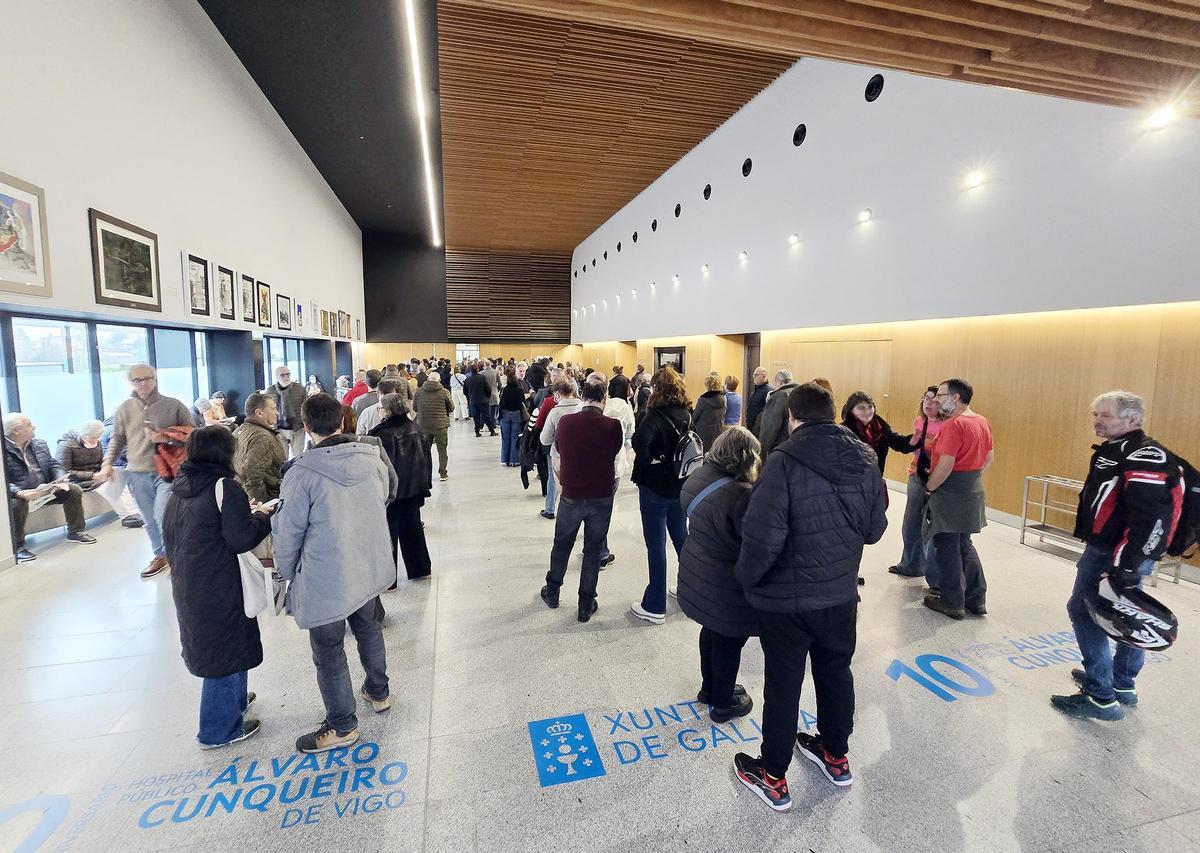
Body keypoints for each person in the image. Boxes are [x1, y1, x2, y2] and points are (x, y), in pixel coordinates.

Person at [732, 383, 887, 812]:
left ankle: (774, 776)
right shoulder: (866, 457)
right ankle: (836, 756)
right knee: (837, 673)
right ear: (834, 413)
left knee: (784, 686)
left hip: (788, 602)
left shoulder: (782, 462)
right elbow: (875, 531)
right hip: (839, 596)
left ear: (791, 416)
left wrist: (746, 581)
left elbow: (762, 538)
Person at [272, 393, 394, 753]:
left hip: (326, 572)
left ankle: (342, 724)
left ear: (307, 428)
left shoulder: (302, 474)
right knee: (368, 628)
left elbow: (288, 532)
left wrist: (287, 571)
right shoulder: (372, 458)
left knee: (328, 648)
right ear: (341, 422)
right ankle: (378, 689)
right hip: (367, 561)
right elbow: (385, 495)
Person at [1052, 391, 1184, 721]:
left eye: (1105, 416)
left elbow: (1150, 518)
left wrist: (1124, 566)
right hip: (1114, 549)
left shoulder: (1143, 455)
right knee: (1125, 610)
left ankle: (1100, 694)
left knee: (1087, 610)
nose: (1097, 420)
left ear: (1132, 419)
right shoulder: (1118, 449)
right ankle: (1121, 683)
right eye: (1095, 414)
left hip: (1114, 552)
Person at [162, 426, 274, 749]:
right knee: (223, 650)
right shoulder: (224, 486)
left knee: (222, 643)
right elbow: (240, 538)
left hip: (189, 581)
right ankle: (218, 729)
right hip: (220, 581)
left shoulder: (179, 488)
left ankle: (235, 701)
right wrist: (264, 517)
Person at [677, 427, 761, 723]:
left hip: (699, 567)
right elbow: (751, 542)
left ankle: (708, 689)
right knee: (730, 638)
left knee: (711, 630)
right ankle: (723, 704)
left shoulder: (700, 475)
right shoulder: (741, 494)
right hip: (726, 579)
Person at [98, 364, 193, 579]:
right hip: (137, 471)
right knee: (149, 518)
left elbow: (192, 434)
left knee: (163, 514)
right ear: (130, 383)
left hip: (167, 471)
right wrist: (107, 463)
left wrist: (165, 437)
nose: (142, 384)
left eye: (146, 378)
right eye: (137, 380)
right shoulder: (125, 408)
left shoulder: (173, 405)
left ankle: (177, 555)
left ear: (155, 378)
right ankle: (161, 555)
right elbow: (117, 439)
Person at [539, 380, 623, 622]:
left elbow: (560, 451)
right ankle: (586, 604)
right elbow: (615, 451)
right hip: (601, 495)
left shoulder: (565, 422)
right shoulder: (612, 426)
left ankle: (552, 591)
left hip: (572, 494)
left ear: (582, 397)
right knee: (593, 550)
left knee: (562, 544)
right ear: (603, 400)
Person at [921, 378, 994, 620]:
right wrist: (971, 479)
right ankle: (976, 597)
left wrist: (929, 488)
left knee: (947, 545)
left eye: (940, 395)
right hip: (972, 488)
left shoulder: (954, 424)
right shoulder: (981, 421)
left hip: (950, 492)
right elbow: (989, 458)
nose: (936, 399)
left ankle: (953, 601)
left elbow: (945, 465)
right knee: (964, 544)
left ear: (955, 398)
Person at [630, 366, 692, 624]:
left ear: (657, 389)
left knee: (656, 545)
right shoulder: (686, 413)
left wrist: (650, 459)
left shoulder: (653, 416)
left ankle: (655, 605)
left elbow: (638, 441)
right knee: (681, 538)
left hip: (655, 487)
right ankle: (689, 589)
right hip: (680, 485)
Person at [5, 413, 97, 561]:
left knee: (73, 490)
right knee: (15, 504)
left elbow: (53, 464)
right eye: (29, 425)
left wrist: (59, 479)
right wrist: (19, 492)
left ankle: (76, 531)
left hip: (45, 489)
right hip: (21, 493)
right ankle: (18, 547)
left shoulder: (38, 443)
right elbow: (2, 481)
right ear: (16, 430)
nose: (34, 427)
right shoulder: (3, 451)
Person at [370, 394, 433, 581]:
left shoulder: (382, 434)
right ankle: (421, 569)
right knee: (413, 528)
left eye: (380, 407)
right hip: (415, 488)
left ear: (387, 410)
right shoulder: (417, 428)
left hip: (393, 492)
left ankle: (389, 579)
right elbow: (427, 461)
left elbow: (383, 468)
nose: (379, 411)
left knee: (388, 532)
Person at [888, 387, 944, 581]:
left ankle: (933, 572)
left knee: (932, 524)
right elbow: (914, 448)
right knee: (911, 522)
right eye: (925, 398)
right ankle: (911, 564)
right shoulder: (920, 422)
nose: (927, 402)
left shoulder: (948, 426)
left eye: (933, 399)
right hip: (916, 475)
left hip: (938, 478)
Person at [57, 419, 143, 528]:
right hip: (77, 480)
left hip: (95, 476)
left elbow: (101, 461)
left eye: (97, 438)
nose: (95, 441)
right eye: (93, 438)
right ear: (84, 435)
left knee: (117, 474)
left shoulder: (97, 442)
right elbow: (63, 471)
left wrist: (105, 469)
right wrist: (92, 475)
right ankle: (128, 514)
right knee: (110, 482)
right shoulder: (65, 445)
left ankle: (131, 513)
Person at [598, 376, 635, 567]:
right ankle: (601, 552)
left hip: (596, 460)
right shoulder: (626, 408)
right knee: (605, 509)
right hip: (615, 463)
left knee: (594, 506)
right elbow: (630, 433)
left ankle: (594, 544)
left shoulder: (604, 404)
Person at [840, 391, 916, 475]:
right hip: (851, 481)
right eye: (861, 408)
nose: (867, 411)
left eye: (870, 407)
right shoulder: (843, 431)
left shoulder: (879, 425)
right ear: (851, 410)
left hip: (875, 478)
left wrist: (910, 441)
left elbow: (895, 440)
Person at [539, 380, 582, 520]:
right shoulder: (582, 407)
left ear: (557, 395)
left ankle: (550, 508)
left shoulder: (555, 412)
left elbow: (545, 439)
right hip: (582, 454)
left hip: (559, 454)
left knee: (554, 480)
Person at [232, 392, 285, 503]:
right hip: (264, 501)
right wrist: (261, 508)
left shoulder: (238, 432)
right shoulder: (262, 437)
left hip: (240, 496)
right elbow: (252, 477)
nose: (277, 413)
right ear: (259, 413)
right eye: (273, 409)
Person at [413, 371, 454, 481]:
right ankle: (443, 473)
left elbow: (415, 408)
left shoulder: (419, 392)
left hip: (423, 425)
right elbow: (451, 408)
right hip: (440, 425)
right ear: (439, 380)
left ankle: (425, 474)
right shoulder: (444, 392)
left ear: (428, 379)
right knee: (442, 449)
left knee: (425, 450)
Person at [265, 365, 306, 459]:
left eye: (288, 374)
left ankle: (296, 473)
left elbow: (306, 406)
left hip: (297, 427)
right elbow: (266, 409)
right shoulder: (270, 391)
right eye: (282, 375)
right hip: (278, 428)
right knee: (282, 457)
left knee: (298, 456)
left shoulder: (299, 389)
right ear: (276, 376)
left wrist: (306, 422)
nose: (286, 377)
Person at [755, 369, 799, 456]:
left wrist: (761, 452)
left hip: (780, 449)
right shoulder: (800, 393)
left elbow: (770, 427)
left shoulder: (779, 396)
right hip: (796, 447)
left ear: (779, 382)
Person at [498, 367, 528, 467]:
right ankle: (514, 460)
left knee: (505, 438)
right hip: (516, 414)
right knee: (515, 438)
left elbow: (501, 403)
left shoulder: (505, 389)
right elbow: (522, 402)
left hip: (505, 415)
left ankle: (504, 459)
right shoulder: (519, 390)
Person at [692, 372, 728, 451]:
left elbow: (694, 418)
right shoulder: (723, 399)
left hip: (703, 434)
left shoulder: (703, 399)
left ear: (707, 384)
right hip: (718, 432)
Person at [466, 361, 497, 437]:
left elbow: (465, 391)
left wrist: (469, 397)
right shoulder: (482, 377)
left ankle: (477, 432)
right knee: (486, 416)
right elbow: (488, 388)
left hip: (473, 401)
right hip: (483, 400)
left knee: (476, 417)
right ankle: (492, 431)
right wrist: (488, 396)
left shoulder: (468, 379)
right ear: (477, 369)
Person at [745, 366, 769, 434]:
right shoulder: (755, 391)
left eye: (756, 375)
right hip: (750, 426)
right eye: (753, 374)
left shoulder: (768, 392)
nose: (753, 377)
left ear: (764, 376)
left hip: (759, 428)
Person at [482, 360, 501, 427]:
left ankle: (486, 425)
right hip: (494, 393)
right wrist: (497, 390)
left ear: (484, 364)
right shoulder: (496, 372)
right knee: (493, 411)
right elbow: (500, 384)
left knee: (486, 411)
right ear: (490, 364)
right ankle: (493, 424)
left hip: (485, 395)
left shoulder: (481, 373)